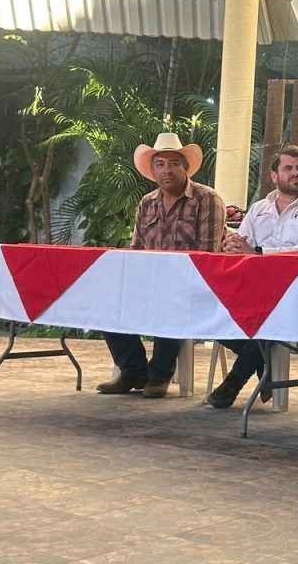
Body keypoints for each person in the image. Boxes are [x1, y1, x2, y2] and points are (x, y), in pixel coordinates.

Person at [205, 144, 298, 408]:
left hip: (297, 292)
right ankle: (264, 365)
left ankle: (234, 382)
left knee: (269, 315)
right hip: (253, 288)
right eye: (288, 168)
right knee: (209, 307)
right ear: (274, 175)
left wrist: (257, 252)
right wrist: (234, 246)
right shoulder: (258, 209)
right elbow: (241, 244)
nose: (296, 173)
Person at [96, 133, 226, 398]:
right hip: (149, 283)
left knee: (170, 297)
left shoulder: (207, 199)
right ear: (153, 171)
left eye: (174, 163)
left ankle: (159, 374)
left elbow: (208, 255)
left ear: (185, 167)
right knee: (105, 302)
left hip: (193, 284)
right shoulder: (147, 203)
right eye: (160, 164)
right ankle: (133, 370)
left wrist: (170, 279)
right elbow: (136, 251)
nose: (167, 170)